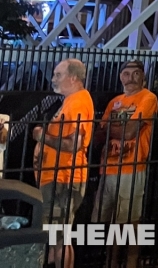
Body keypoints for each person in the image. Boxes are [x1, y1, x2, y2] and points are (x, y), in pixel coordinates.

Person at [92, 60, 158, 268]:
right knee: (112, 221)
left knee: (131, 221)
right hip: (108, 166)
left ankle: (131, 262)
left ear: (142, 76)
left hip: (132, 166)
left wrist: (113, 128)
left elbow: (129, 132)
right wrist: (119, 128)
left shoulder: (148, 98)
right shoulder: (115, 102)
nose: (130, 77)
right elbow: (99, 135)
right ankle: (111, 263)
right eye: (126, 73)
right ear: (121, 76)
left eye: (136, 73)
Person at [34, 58, 94, 268]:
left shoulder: (78, 102)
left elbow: (74, 144)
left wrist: (43, 137)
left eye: (58, 75)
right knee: (55, 236)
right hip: (56, 179)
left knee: (60, 237)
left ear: (73, 77)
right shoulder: (71, 102)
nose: (53, 79)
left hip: (64, 179)